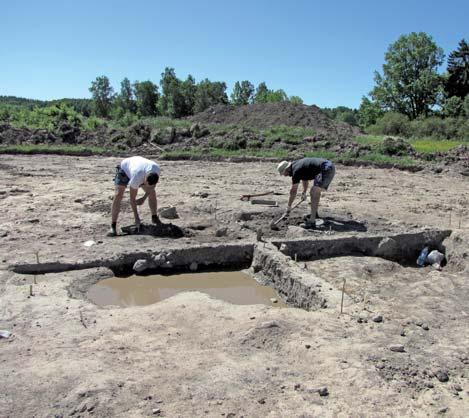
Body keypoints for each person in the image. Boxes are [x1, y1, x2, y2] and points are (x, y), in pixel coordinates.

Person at [108, 156, 161, 236]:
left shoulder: (156, 169)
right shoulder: (137, 177)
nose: (146, 186)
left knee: (152, 193)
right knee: (118, 194)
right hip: (125, 169)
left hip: (138, 165)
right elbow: (132, 199)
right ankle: (113, 226)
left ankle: (154, 217)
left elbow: (152, 186)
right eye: (146, 184)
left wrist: (144, 198)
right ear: (145, 179)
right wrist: (136, 218)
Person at [277, 157, 335, 228]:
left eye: (284, 173)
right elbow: (305, 179)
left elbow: (293, 191)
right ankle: (314, 214)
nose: (285, 176)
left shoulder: (296, 170)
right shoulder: (297, 166)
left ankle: (312, 221)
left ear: (287, 169)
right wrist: (304, 192)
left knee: (314, 191)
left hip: (326, 168)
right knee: (315, 191)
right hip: (325, 168)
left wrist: (289, 207)